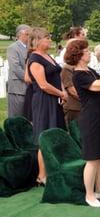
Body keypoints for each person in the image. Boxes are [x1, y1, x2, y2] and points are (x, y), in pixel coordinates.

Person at [66, 39, 100, 207]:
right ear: (79, 55)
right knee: (92, 158)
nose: (89, 53)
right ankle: (89, 195)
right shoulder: (78, 75)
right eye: (86, 51)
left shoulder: (89, 71)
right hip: (91, 120)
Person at [27, 27, 67, 186]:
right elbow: (43, 85)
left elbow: (57, 76)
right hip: (44, 102)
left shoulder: (48, 56)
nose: (50, 40)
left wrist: (62, 92)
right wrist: (61, 93)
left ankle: (54, 171)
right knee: (44, 138)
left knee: (55, 135)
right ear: (37, 40)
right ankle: (41, 176)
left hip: (55, 100)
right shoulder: (35, 59)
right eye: (47, 38)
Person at [7, 24, 30, 117]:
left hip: (28, 88)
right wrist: (29, 78)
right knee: (16, 117)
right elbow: (15, 68)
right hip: (18, 88)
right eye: (28, 34)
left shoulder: (29, 48)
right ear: (21, 34)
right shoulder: (13, 48)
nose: (30, 37)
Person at [61, 39, 82, 126]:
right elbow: (71, 90)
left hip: (81, 107)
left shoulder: (81, 67)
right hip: (73, 108)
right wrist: (87, 99)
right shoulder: (67, 68)